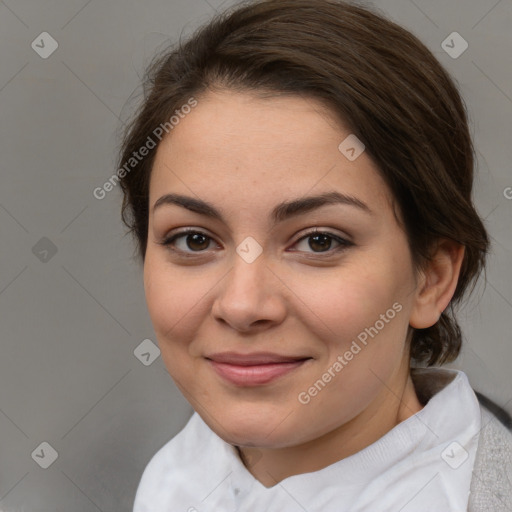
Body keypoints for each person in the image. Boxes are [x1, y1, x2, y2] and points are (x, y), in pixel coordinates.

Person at [116, 0, 512, 510]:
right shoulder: (175, 478)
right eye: (195, 239)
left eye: (319, 241)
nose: (241, 305)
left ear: (431, 278)